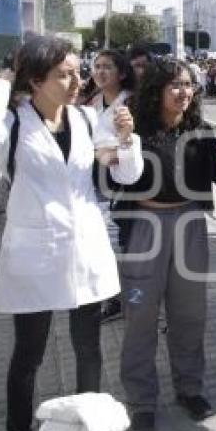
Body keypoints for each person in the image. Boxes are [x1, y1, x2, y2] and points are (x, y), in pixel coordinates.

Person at [0, 36, 143, 431]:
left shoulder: (86, 118)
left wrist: (125, 140)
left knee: (89, 348)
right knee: (29, 355)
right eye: (64, 73)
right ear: (36, 79)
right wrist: (7, 77)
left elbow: (126, 173)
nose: (76, 80)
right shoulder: (12, 123)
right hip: (35, 254)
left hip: (84, 250)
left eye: (77, 71)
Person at [117, 59, 216, 431]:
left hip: (191, 226)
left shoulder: (201, 131)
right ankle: (142, 401)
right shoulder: (137, 131)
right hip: (145, 228)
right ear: (157, 90)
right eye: (175, 85)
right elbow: (110, 177)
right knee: (140, 320)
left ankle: (190, 389)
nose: (184, 92)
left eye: (188, 85)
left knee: (190, 315)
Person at [85, 49, 138, 322]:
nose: (101, 71)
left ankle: (125, 297)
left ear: (123, 73)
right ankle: (113, 296)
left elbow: (138, 144)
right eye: (97, 66)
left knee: (119, 241)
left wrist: (115, 155)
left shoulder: (132, 103)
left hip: (122, 181)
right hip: (92, 180)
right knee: (102, 242)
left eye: (108, 67)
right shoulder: (89, 101)